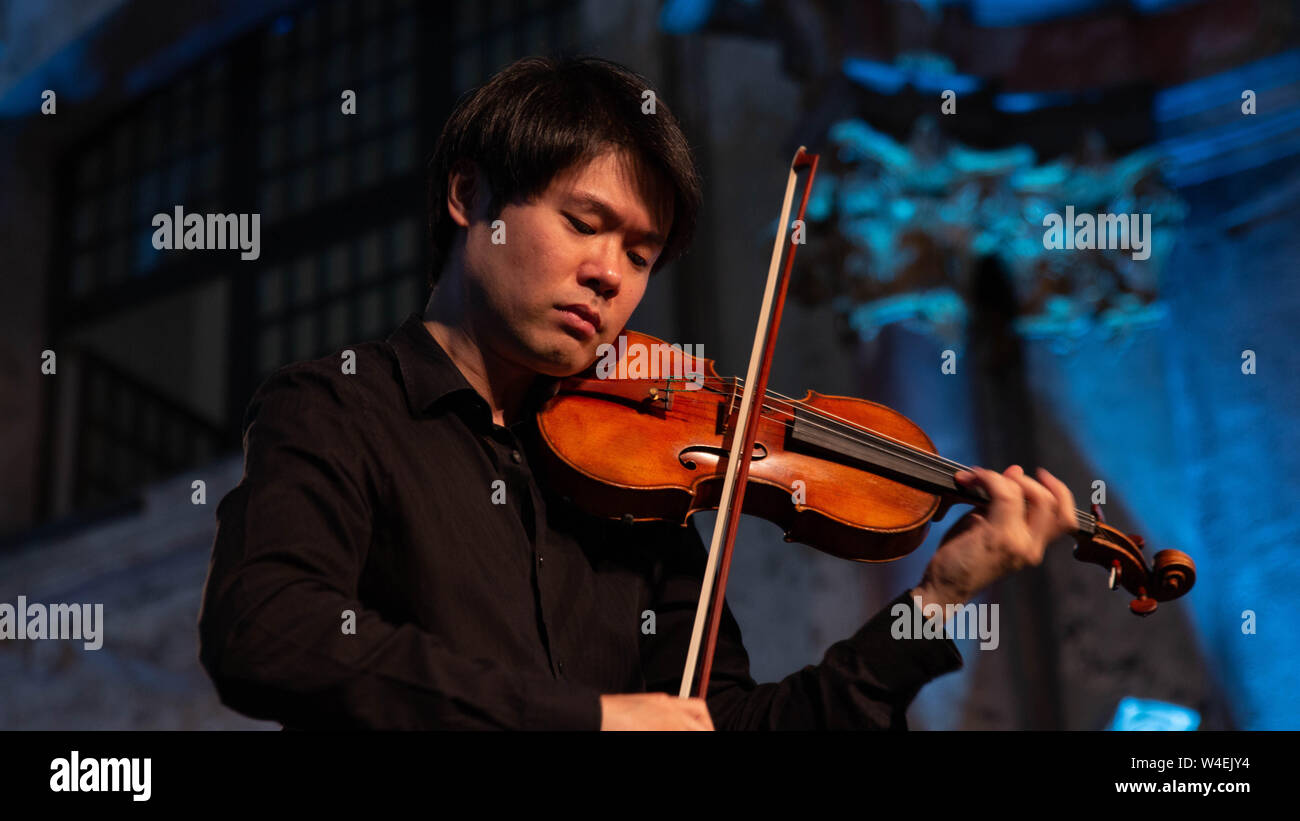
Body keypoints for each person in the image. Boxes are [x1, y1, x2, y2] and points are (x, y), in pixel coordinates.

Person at [197, 56, 1077, 730]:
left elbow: (729, 725)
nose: (608, 275)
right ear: (471, 197)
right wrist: (588, 720)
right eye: (585, 224)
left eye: (641, 254)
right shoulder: (337, 408)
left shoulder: (635, 483)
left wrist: (939, 599)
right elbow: (267, 631)